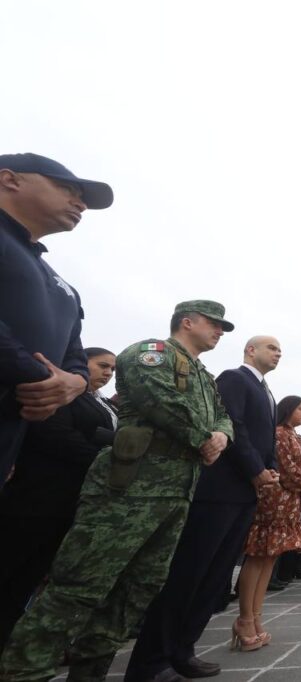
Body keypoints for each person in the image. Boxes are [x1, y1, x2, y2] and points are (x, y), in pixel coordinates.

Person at [0, 300, 234, 682]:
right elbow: (161, 402)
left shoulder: (204, 376)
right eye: (215, 324)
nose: (220, 331)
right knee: (80, 584)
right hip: (130, 490)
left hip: (176, 491)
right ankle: (24, 671)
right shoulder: (150, 354)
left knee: (135, 591)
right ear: (187, 322)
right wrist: (205, 438)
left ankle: (89, 672)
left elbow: (223, 414)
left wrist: (222, 435)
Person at [125, 336, 282, 680]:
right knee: (189, 573)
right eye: (271, 347)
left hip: (245, 493)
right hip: (220, 490)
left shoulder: (267, 392)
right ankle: (151, 661)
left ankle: (183, 649)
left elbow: (264, 437)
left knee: (214, 579)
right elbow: (233, 426)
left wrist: (268, 469)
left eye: (280, 349)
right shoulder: (234, 378)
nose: (278, 353)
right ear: (250, 350)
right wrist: (256, 468)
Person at [1, 153, 113, 488]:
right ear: (10, 179)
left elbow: (76, 356)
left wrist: (75, 384)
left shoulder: (64, 287)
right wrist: (47, 381)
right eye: (66, 188)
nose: (79, 203)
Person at [0, 347, 117, 651]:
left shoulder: (103, 404)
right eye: (102, 365)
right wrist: (105, 459)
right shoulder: (63, 395)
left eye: (112, 369)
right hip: (37, 496)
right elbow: (55, 435)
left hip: (73, 501)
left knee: (29, 579)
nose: (108, 373)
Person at [236, 396, 301, 648]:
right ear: (288, 409)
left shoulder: (296, 436)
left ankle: (257, 616)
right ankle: (245, 618)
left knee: (270, 557)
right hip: (274, 499)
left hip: (290, 502)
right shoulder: (279, 433)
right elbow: (290, 471)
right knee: (259, 555)